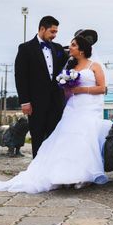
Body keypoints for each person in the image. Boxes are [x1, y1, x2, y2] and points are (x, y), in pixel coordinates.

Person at [0, 29, 112, 193]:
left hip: (89, 107)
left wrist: (81, 90)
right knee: (66, 137)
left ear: (82, 49)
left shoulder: (95, 66)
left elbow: (101, 88)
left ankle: (83, 175)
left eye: (73, 45)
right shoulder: (71, 67)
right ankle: (62, 174)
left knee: (84, 137)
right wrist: (66, 87)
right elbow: (67, 91)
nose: (69, 48)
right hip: (73, 106)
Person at [14, 16, 69, 158]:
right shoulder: (25, 48)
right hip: (35, 103)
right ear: (42, 29)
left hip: (56, 102)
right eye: (52, 31)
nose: (54, 35)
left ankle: (51, 169)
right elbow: (20, 76)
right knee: (37, 136)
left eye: (56, 32)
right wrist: (25, 102)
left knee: (54, 136)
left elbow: (69, 63)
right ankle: (37, 170)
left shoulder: (57, 48)